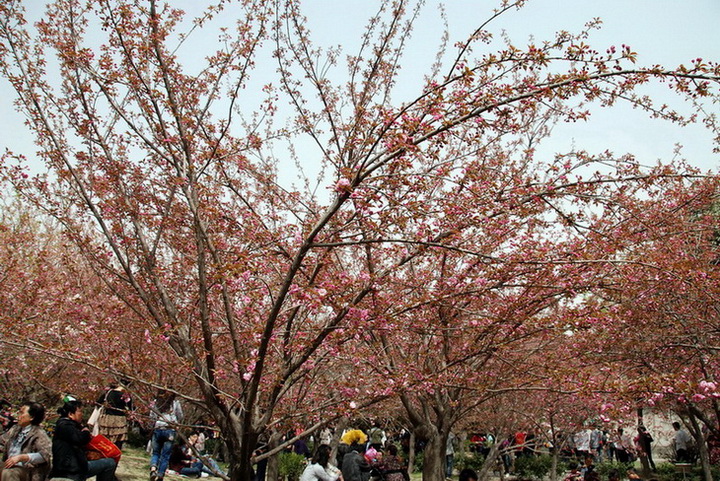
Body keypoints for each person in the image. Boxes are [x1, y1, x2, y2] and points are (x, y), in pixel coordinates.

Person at [50, 398, 117, 481]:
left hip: (73, 467)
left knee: (108, 463)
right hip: (70, 470)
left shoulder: (67, 424)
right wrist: (86, 432)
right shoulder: (65, 426)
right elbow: (81, 439)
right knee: (110, 463)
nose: (82, 414)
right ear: (70, 414)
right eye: (80, 411)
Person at [0, 402, 51, 481]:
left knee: (9, 473)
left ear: (32, 417)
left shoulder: (39, 433)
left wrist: (23, 457)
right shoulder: (15, 429)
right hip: (9, 465)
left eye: (22, 412)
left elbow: (46, 455)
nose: (18, 416)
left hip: (28, 471)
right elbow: (2, 442)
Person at [149, 391, 184, 481]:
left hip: (158, 428)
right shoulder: (175, 403)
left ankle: (153, 470)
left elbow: (152, 416)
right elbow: (180, 415)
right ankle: (161, 474)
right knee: (166, 455)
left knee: (156, 452)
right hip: (170, 430)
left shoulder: (156, 402)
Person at [94, 380, 133, 450]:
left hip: (107, 420)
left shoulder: (108, 392)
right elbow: (131, 408)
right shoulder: (125, 395)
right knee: (117, 444)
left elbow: (98, 403)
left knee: (105, 441)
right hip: (119, 421)